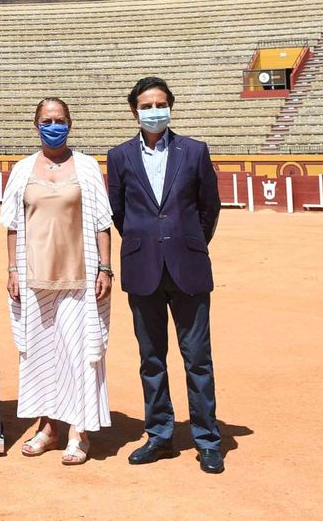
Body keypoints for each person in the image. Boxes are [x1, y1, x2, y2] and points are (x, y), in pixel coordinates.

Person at [105, 76, 225, 474]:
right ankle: (159, 435)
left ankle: (207, 438)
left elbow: (210, 206)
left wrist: (188, 241)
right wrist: (146, 243)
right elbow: (119, 212)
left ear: (170, 106)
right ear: (134, 111)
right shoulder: (119, 156)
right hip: (143, 269)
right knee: (151, 359)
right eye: (146, 105)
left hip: (187, 265)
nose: (154, 111)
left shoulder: (194, 151)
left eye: (160, 104)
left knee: (198, 359)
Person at [1, 97, 114, 466]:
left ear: (71, 124)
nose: (54, 125)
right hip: (34, 278)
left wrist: (106, 268)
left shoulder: (85, 167)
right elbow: (13, 227)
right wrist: (12, 270)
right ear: (36, 125)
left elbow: (101, 223)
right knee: (40, 354)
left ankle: (79, 433)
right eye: (47, 120)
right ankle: (48, 428)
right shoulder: (21, 170)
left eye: (61, 119)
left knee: (78, 352)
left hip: (79, 277)